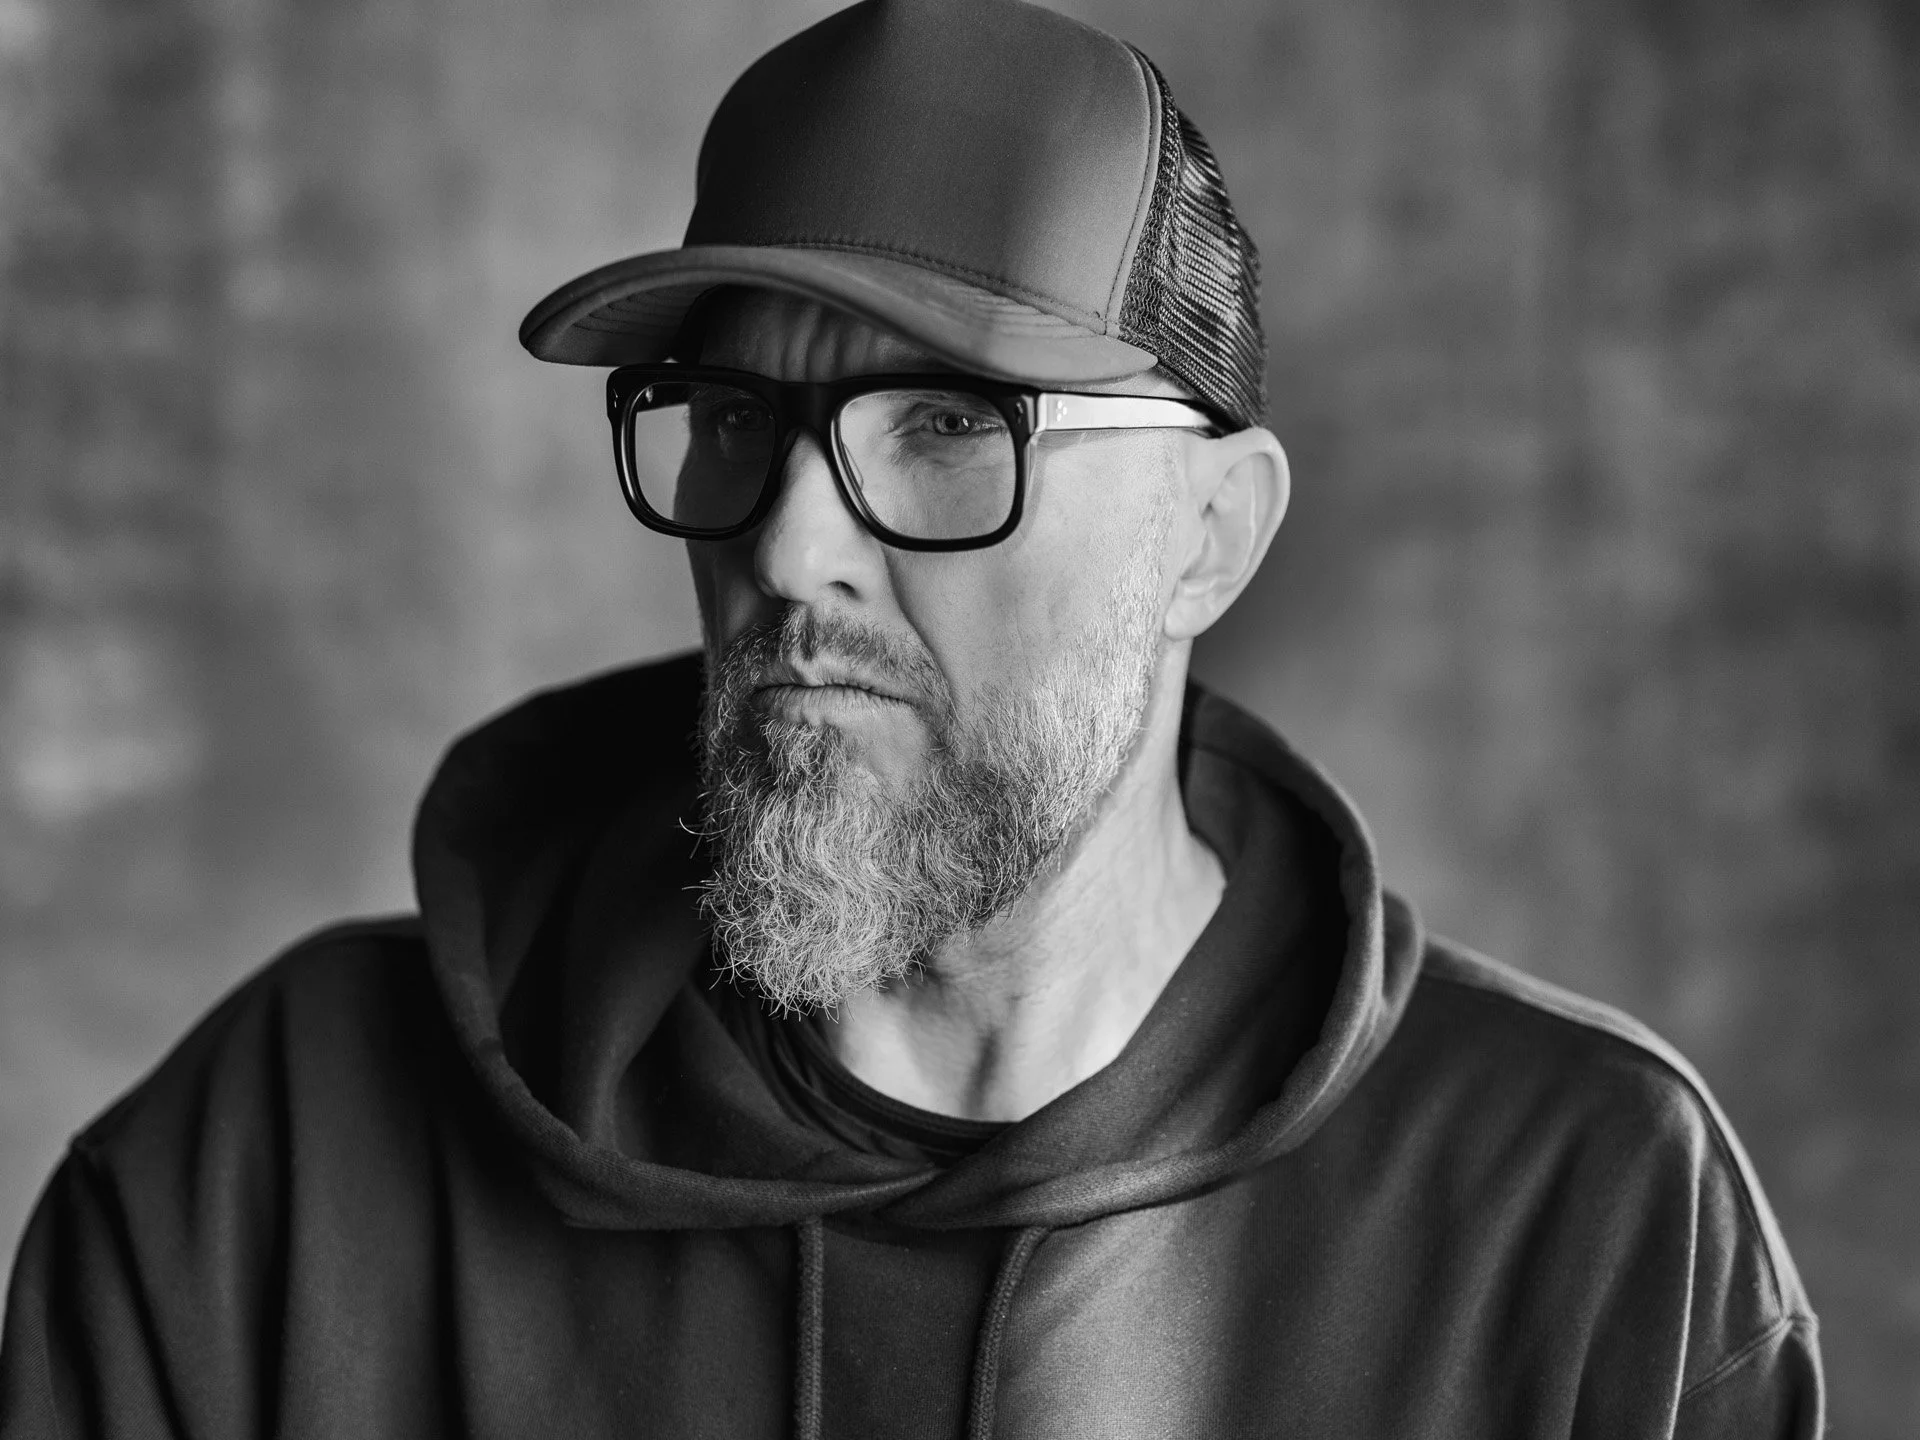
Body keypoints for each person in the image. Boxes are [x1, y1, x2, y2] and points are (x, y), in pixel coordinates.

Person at [0, 1, 1823, 1436]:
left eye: (950, 426)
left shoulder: (1584, 1222)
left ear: (1207, 536)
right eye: (732, 418)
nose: (789, 548)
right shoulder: (268, 1178)